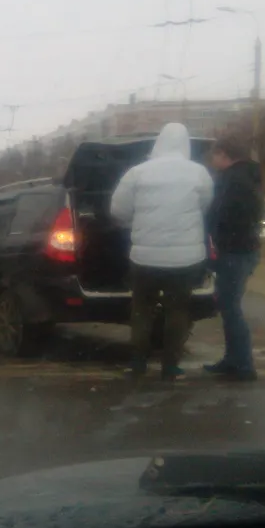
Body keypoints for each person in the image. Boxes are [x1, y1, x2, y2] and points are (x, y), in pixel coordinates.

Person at [110, 122, 214, 381]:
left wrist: (134, 223)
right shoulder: (199, 173)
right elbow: (205, 206)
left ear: (159, 143)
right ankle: (170, 366)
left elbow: (118, 210)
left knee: (142, 310)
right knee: (177, 311)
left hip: (145, 259)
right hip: (185, 260)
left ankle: (138, 363)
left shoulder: (138, 172)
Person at [205, 136, 263, 382]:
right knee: (228, 306)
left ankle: (243, 365)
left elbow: (224, 214)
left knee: (230, 307)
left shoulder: (234, 180)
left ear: (224, 154)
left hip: (235, 251)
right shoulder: (247, 176)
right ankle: (233, 359)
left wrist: (213, 229)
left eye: (214, 155)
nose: (212, 160)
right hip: (242, 249)